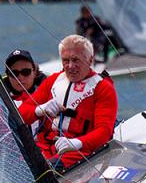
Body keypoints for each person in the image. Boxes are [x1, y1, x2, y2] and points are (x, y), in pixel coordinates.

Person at [18, 35, 118, 170]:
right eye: (66, 60)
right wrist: (40, 109)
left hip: (80, 152)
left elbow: (104, 132)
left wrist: (76, 143)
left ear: (90, 60)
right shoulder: (53, 81)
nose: (70, 66)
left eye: (76, 60)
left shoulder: (103, 88)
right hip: (45, 148)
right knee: (18, 166)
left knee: (49, 169)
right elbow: (21, 115)